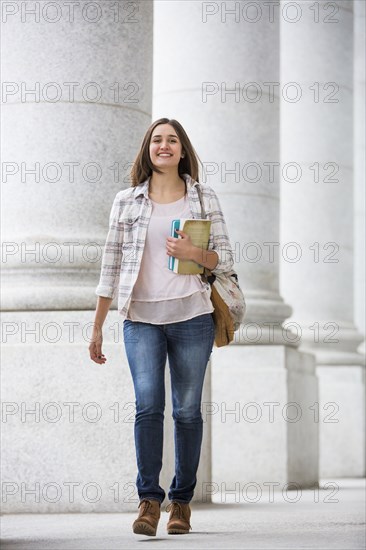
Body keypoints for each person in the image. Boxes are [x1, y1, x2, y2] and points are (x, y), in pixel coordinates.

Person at [89, 118, 234, 536]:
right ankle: (149, 500)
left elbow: (224, 258)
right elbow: (110, 265)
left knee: (187, 411)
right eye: (157, 140)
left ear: (183, 150)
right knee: (148, 407)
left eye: (172, 140)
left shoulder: (203, 198)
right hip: (141, 319)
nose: (164, 146)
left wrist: (194, 252)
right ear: (147, 149)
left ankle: (181, 504)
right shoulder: (127, 201)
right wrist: (97, 326)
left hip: (193, 315)